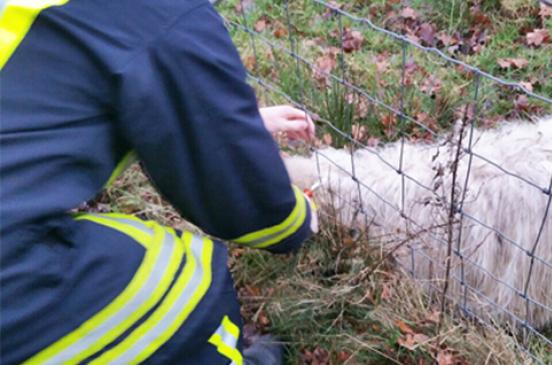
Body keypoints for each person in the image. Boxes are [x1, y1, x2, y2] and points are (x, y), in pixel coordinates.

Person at [0, 0, 317, 364]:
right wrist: (297, 218)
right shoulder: (163, 12)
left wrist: (221, 120)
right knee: (178, 281)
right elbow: (245, 202)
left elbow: (52, 95)